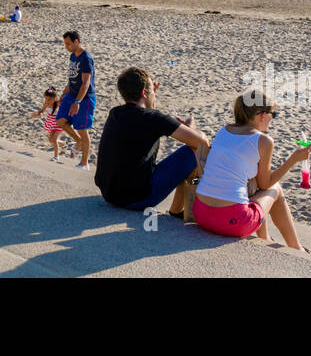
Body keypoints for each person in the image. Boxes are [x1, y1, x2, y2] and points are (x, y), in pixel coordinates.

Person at [193, 86, 310, 251]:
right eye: (273, 115)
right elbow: (265, 184)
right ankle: (296, 247)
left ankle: (265, 238)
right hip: (233, 223)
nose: (272, 119)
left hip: (201, 214)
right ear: (262, 115)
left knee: (251, 187)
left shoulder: (223, 130)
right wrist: (293, 159)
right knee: (275, 189)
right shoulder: (263, 141)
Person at [94, 67, 208, 216]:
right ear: (144, 93)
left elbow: (146, 117)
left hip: (109, 194)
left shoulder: (115, 113)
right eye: (152, 91)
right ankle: (178, 210)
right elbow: (202, 143)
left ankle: (180, 209)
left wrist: (150, 97)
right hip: (138, 199)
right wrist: (192, 127)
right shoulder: (153, 119)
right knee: (194, 151)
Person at [55, 30, 95, 170]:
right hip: (70, 95)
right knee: (60, 120)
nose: (66, 47)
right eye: (65, 44)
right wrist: (63, 94)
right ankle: (78, 141)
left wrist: (77, 102)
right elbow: (72, 78)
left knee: (82, 129)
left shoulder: (86, 58)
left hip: (84, 98)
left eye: (68, 44)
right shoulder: (73, 55)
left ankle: (84, 163)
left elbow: (86, 83)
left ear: (76, 41)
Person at [30, 86, 71, 160]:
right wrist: (38, 114)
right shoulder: (46, 104)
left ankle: (56, 156)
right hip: (51, 123)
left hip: (59, 123)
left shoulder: (58, 103)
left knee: (54, 139)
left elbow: (67, 105)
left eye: (49, 99)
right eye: (46, 99)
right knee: (51, 140)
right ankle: (63, 143)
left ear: (55, 98)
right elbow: (42, 112)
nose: (47, 101)